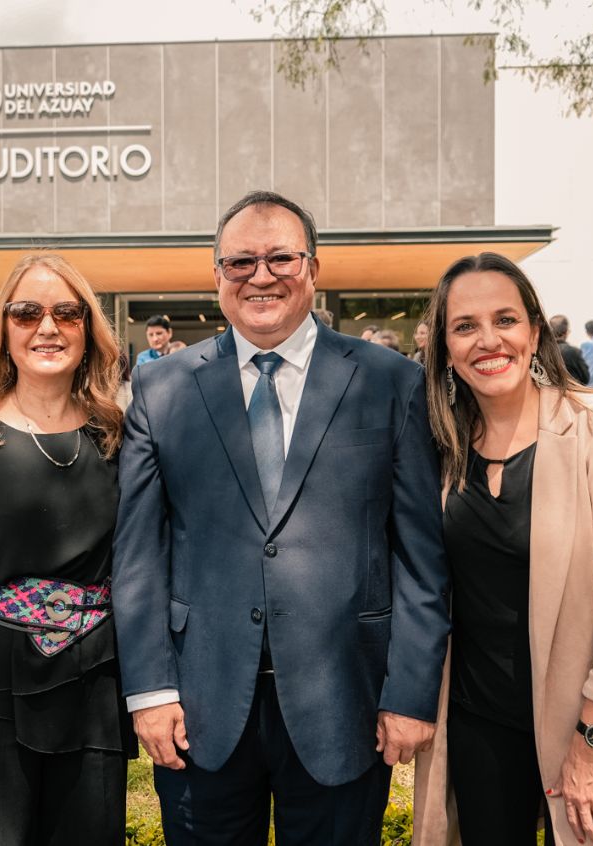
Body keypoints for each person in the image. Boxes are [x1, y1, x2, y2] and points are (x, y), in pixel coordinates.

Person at [114, 190, 448, 845]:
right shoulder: (162, 387)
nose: (260, 276)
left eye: (280, 259)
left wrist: (409, 693)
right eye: (240, 262)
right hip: (200, 707)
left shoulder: (390, 382)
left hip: (346, 703)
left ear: (313, 269)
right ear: (217, 276)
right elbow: (138, 554)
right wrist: (150, 691)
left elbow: (420, 556)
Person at [412, 252, 593, 846]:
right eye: (465, 326)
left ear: (535, 330)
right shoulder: (440, 447)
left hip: (592, 723)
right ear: (444, 346)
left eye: (505, 320)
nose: (488, 340)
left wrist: (592, 743)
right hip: (478, 726)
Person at [0, 253, 135, 845]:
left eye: (67, 313)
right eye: (27, 312)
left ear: (88, 328)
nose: (47, 327)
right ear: (3, 330)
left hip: (94, 688)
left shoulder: (118, 436)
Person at [548, 315, 590, 385]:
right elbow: (585, 377)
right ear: (567, 332)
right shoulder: (573, 351)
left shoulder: (541, 351)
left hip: (548, 390)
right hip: (571, 390)